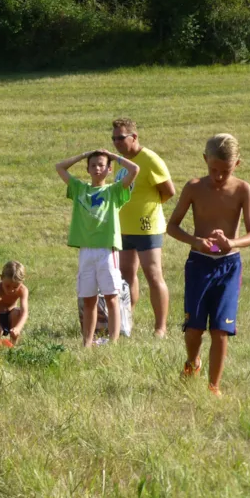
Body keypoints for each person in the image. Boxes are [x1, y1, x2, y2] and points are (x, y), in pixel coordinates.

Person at [166, 134, 250, 397]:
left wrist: (231, 242)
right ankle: (192, 362)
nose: (218, 176)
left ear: (237, 164)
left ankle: (213, 386)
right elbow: (172, 226)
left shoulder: (243, 189)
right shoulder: (194, 187)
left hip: (229, 266)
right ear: (205, 160)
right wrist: (196, 242)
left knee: (220, 330)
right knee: (194, 328)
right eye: (213, 170)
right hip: (199, 264)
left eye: (225, 171)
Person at [55, 149, 139, 346]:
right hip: (86, 250)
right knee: (89, 299)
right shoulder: (79, 189)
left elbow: (135, 169)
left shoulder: (114, 191)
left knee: (112, 296)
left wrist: (112, 155)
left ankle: (114, 341)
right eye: (93, 165)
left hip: (106, 250)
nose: (97, 169)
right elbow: (60, 167)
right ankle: (87, 342)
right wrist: (84, 155)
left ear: (109, 169)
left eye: (101, 165)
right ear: (88, 169)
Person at [111, 117, 175, 337]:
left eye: (120, 138)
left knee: (153, 274)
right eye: (113, 139)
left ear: (134, 136)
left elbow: (168, 191)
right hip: (123, 227)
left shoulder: (149, 159)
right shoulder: (121, 161)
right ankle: (127, 320)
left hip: (147, 228)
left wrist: (149, 209)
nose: (116, 143)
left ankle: (160, 327)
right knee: (126, 275)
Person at [0, 261, 29, 347]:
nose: (11, 290)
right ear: (1, 278)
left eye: (15, 287)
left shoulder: (23, 290)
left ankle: (13, 346)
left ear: (22, 282)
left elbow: (24, 313)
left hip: (10, 316)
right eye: (7, 286)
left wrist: (17, 329)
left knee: (17, 312)